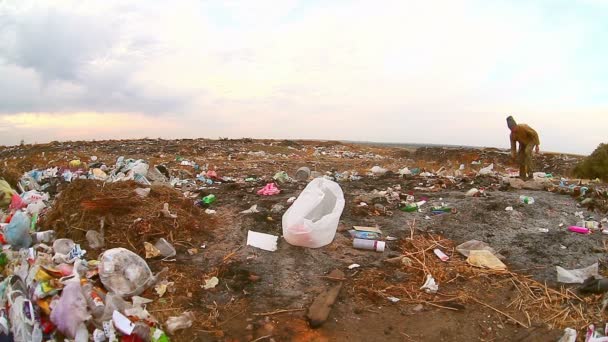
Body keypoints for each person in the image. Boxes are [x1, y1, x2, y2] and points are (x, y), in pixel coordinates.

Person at [506, 115, 540, 180]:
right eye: (511, 129)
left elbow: (535, 134)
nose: (513, 130)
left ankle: (530, 174)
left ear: (516, 125)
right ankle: (522, 176)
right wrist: (513, 155)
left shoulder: (523, 127)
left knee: (527, 151)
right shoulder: (512, 135)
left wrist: (537, 146)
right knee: (520, 158)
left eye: (513, 128)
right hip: (523, 144)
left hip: (531, 141)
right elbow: (513, 147)